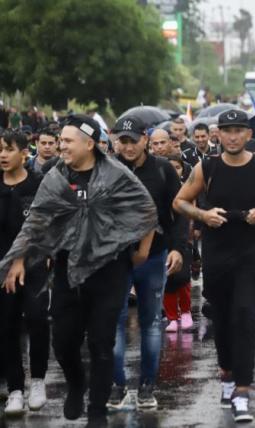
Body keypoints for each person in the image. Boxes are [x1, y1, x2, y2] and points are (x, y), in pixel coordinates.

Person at [0, 114, 157, 423]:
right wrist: (16, 259)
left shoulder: (116, 174)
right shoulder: (55, 177)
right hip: (67, 269)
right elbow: (35, 221)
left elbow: (145, 209)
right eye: (60, 141)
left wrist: (139, 250)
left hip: (110, 271)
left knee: (102, 342)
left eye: (68, 141)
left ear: (89, 143)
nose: (62, 146)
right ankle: (75, 383)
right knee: (64, 342)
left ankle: (97, 411)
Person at [172, 109, 255, 422]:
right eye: (226, 131)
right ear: (218, 134)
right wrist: (203, 215)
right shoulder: (207, 167)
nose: (232, 136)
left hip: (252, 252)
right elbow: (180, 201)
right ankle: (227, 375)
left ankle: (243, 391)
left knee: (244, 317)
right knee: (224, 320)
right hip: (217, 253)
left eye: (238, 130)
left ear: (247, 134)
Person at [109, 115, 188, 410]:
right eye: (122, 141)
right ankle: (118, 386)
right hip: (115, 259)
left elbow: (178, 211)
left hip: (154, 257)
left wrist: (178, 248)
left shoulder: (164, 170)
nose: (127, 147)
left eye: (132, 140)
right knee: (113, 323)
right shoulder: (108, 169)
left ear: (145, 139)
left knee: (151, 324)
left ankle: (146, 387)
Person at [0, 131, 49, 416]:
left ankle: (38, 380)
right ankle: (15, 390)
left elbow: (45, 225)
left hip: (33, 266)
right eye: (0, 150)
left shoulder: (38, 185)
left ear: (24, 153)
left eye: (9, 149)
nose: (3, 155)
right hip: (3, 270)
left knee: (37, 318)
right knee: (6, 327)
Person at [163, 154, 195, 333]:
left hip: (185, 239)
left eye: (177, 167)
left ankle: (186, 312)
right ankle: (171, 317)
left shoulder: (187, 188)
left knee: (182, 278)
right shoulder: (160, 187)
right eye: (170, 167)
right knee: (167, 280)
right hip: (163, 240)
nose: (173, 171)